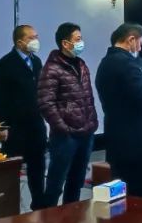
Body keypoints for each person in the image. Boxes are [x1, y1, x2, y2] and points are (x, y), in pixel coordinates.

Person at [95, 23, 142, 199]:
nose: (140, 48)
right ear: (131, 40)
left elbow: (129, 96)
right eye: (140, 43)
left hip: (117, 139)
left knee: (122, 196)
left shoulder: (106, 62)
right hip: (137, 143)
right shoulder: (128, 64)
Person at [38, 22, 98, 206]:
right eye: (77, 39)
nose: (81, 43)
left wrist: (92, 122)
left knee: (76, 181)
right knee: (56, 182)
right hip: (65, 136)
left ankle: (71, 216)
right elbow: (46, 103)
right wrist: (63, 127)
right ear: (65, 43)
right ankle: (49, 217)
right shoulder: (52, 69)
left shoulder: (81, 64)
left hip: (86, 132)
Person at [0, 24, 46, 210]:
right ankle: (10, 209)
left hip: (36, 125)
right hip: (15, 128)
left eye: (36, 37)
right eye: (31, 38)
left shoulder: (36, 62)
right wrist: (1, 125)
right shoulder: (5, 64)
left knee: (38, 169)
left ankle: (39, 206)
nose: (35, 41)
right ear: (19, 42)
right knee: (12, 171)